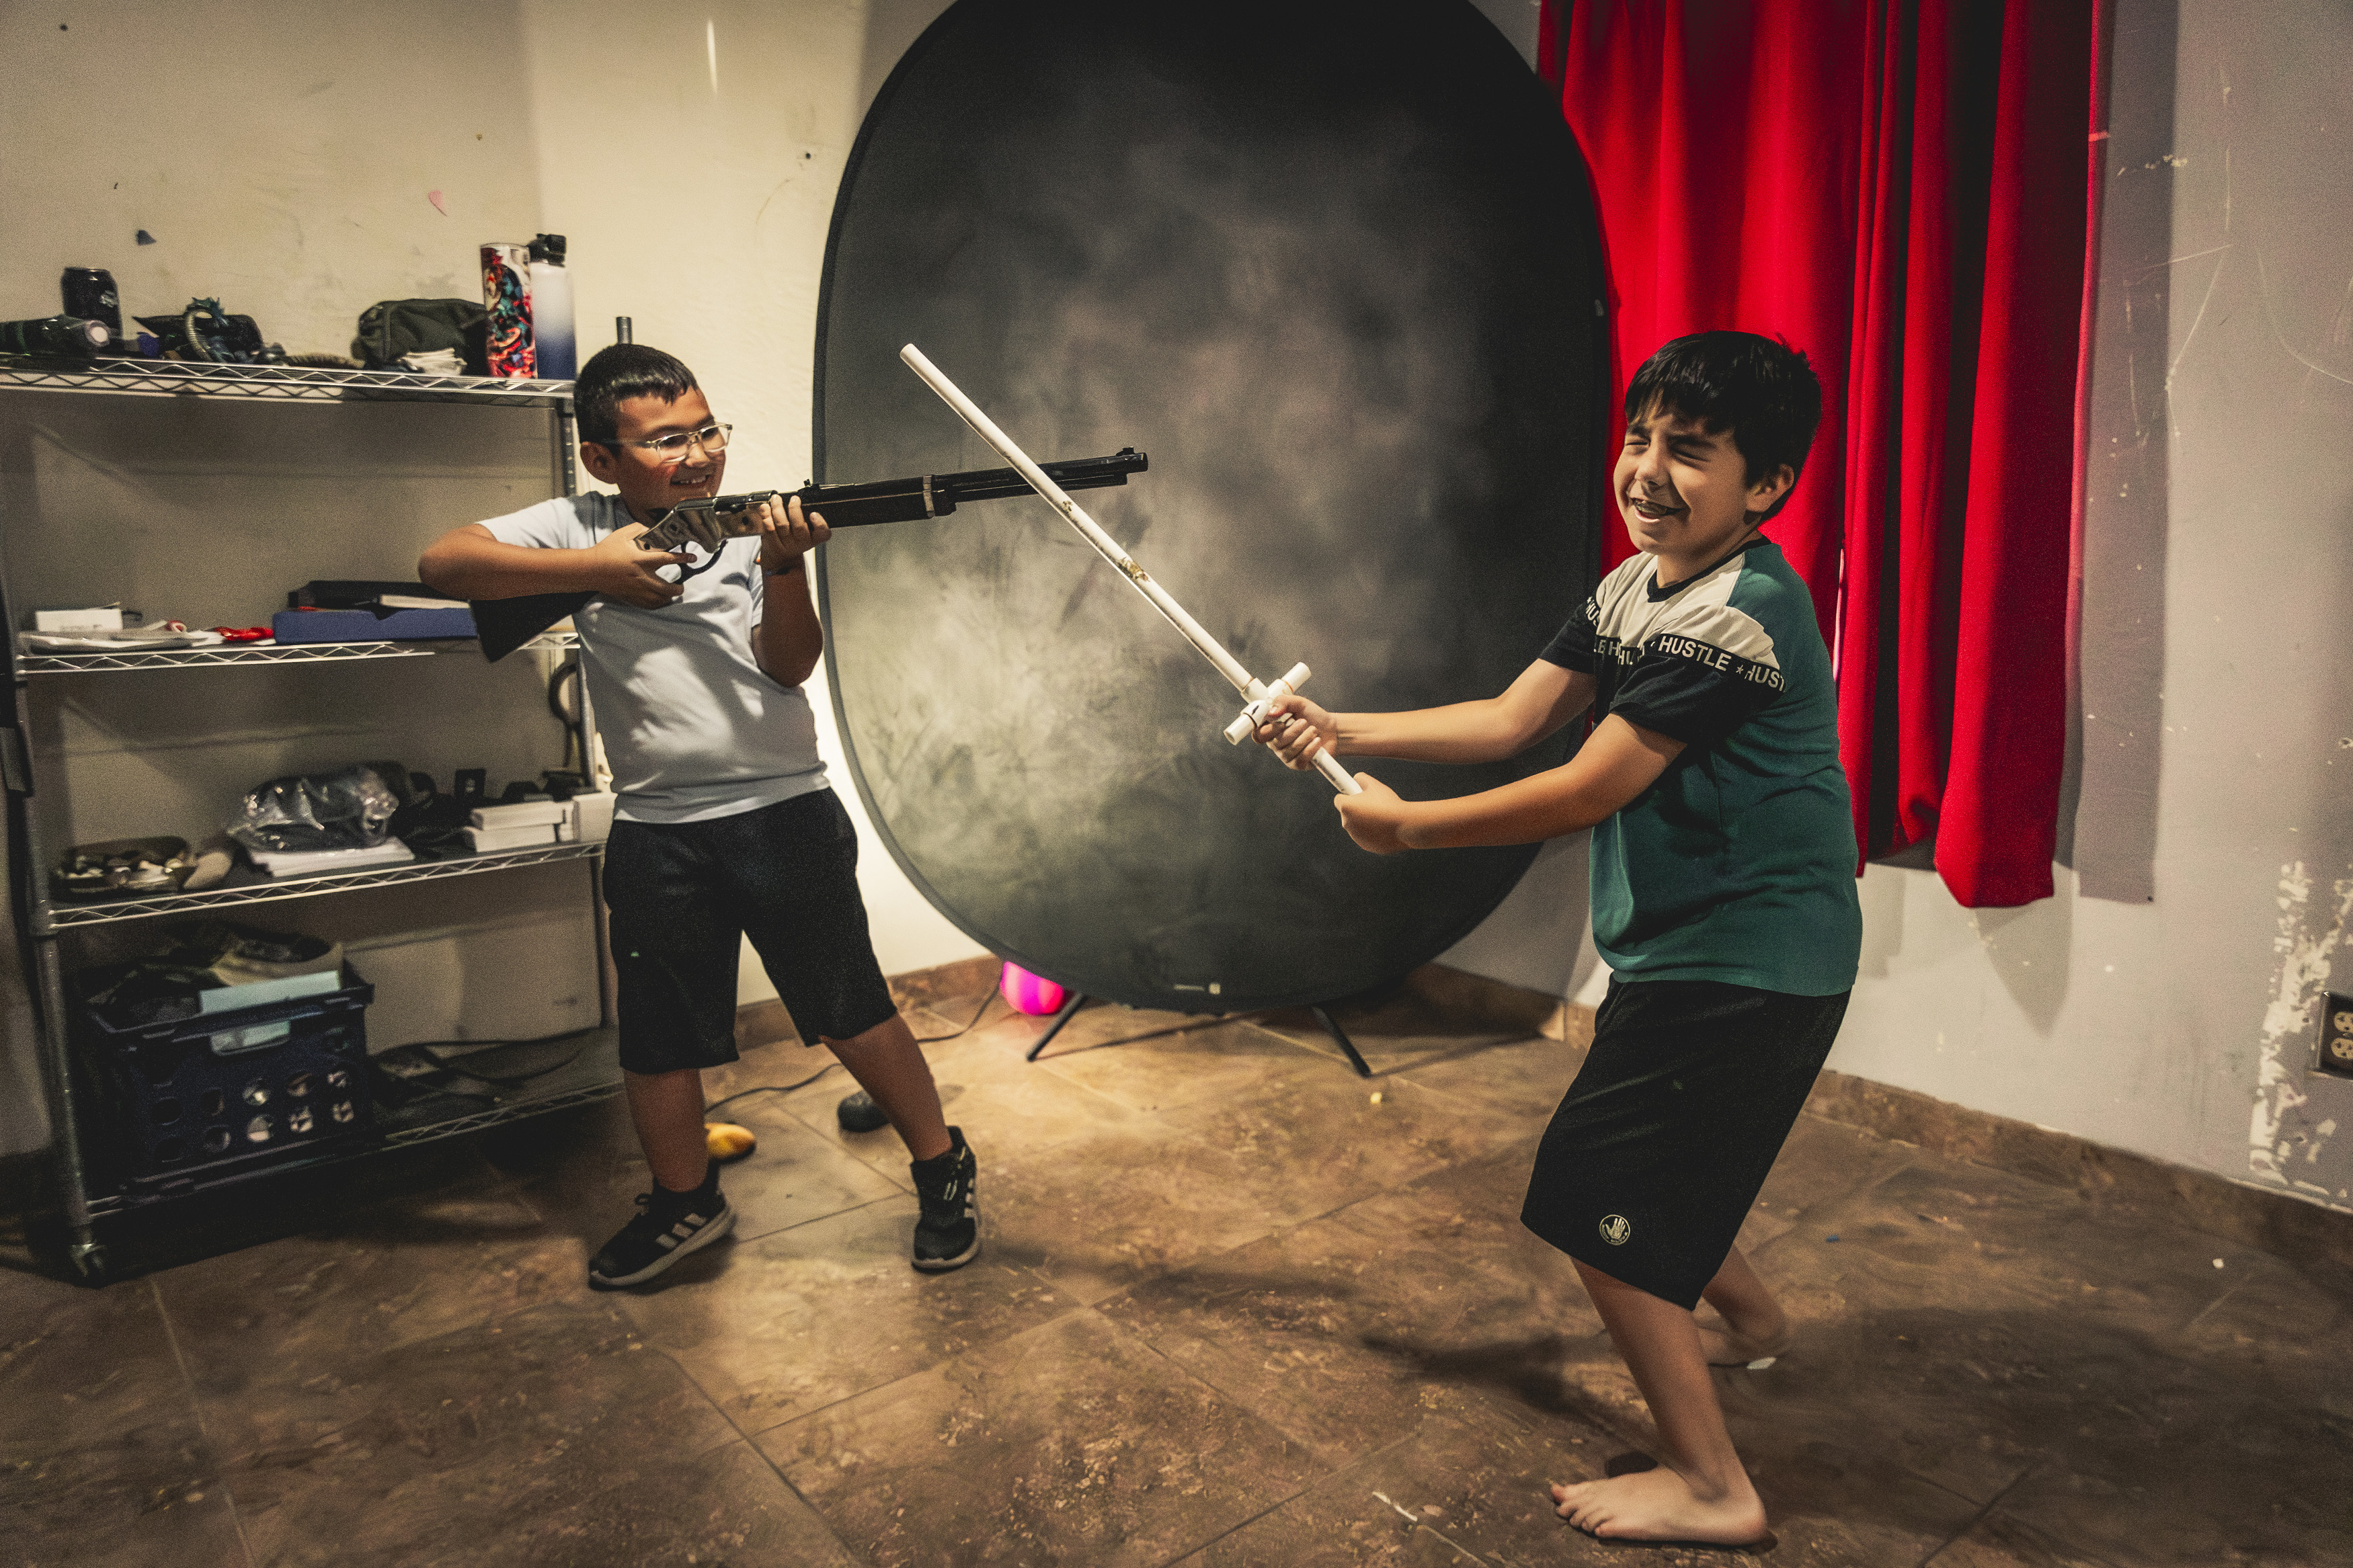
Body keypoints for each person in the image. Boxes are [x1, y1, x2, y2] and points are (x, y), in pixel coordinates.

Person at [1257, 331, 1860, 1547]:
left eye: (1689, 450)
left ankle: (1716, 1486)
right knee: (1659, 1160)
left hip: (1750, 963)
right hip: (1697, 953)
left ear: (1767, 486)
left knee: (1596, 1200)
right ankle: (1756, 1324)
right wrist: (1342, 728)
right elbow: (1511, 717)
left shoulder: (1741, 611)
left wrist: (1408, 833)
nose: (1646, 470)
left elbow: (1590, 786)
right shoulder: (1637, 584)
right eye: (1640, 439)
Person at [420, 343, 978, 1288]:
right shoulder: (577, 526)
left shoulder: (753, 529)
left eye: (708, 430)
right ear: (602, 460)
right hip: (653, 826)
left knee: (851, 1010)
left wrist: (786, 567)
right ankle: (685, 1201)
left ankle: (941, 1164)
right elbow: (442, 563)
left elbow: (789, 665)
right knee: (658, 1038)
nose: (700, 453)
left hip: (782, 811)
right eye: (667, 440)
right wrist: (595, 569)